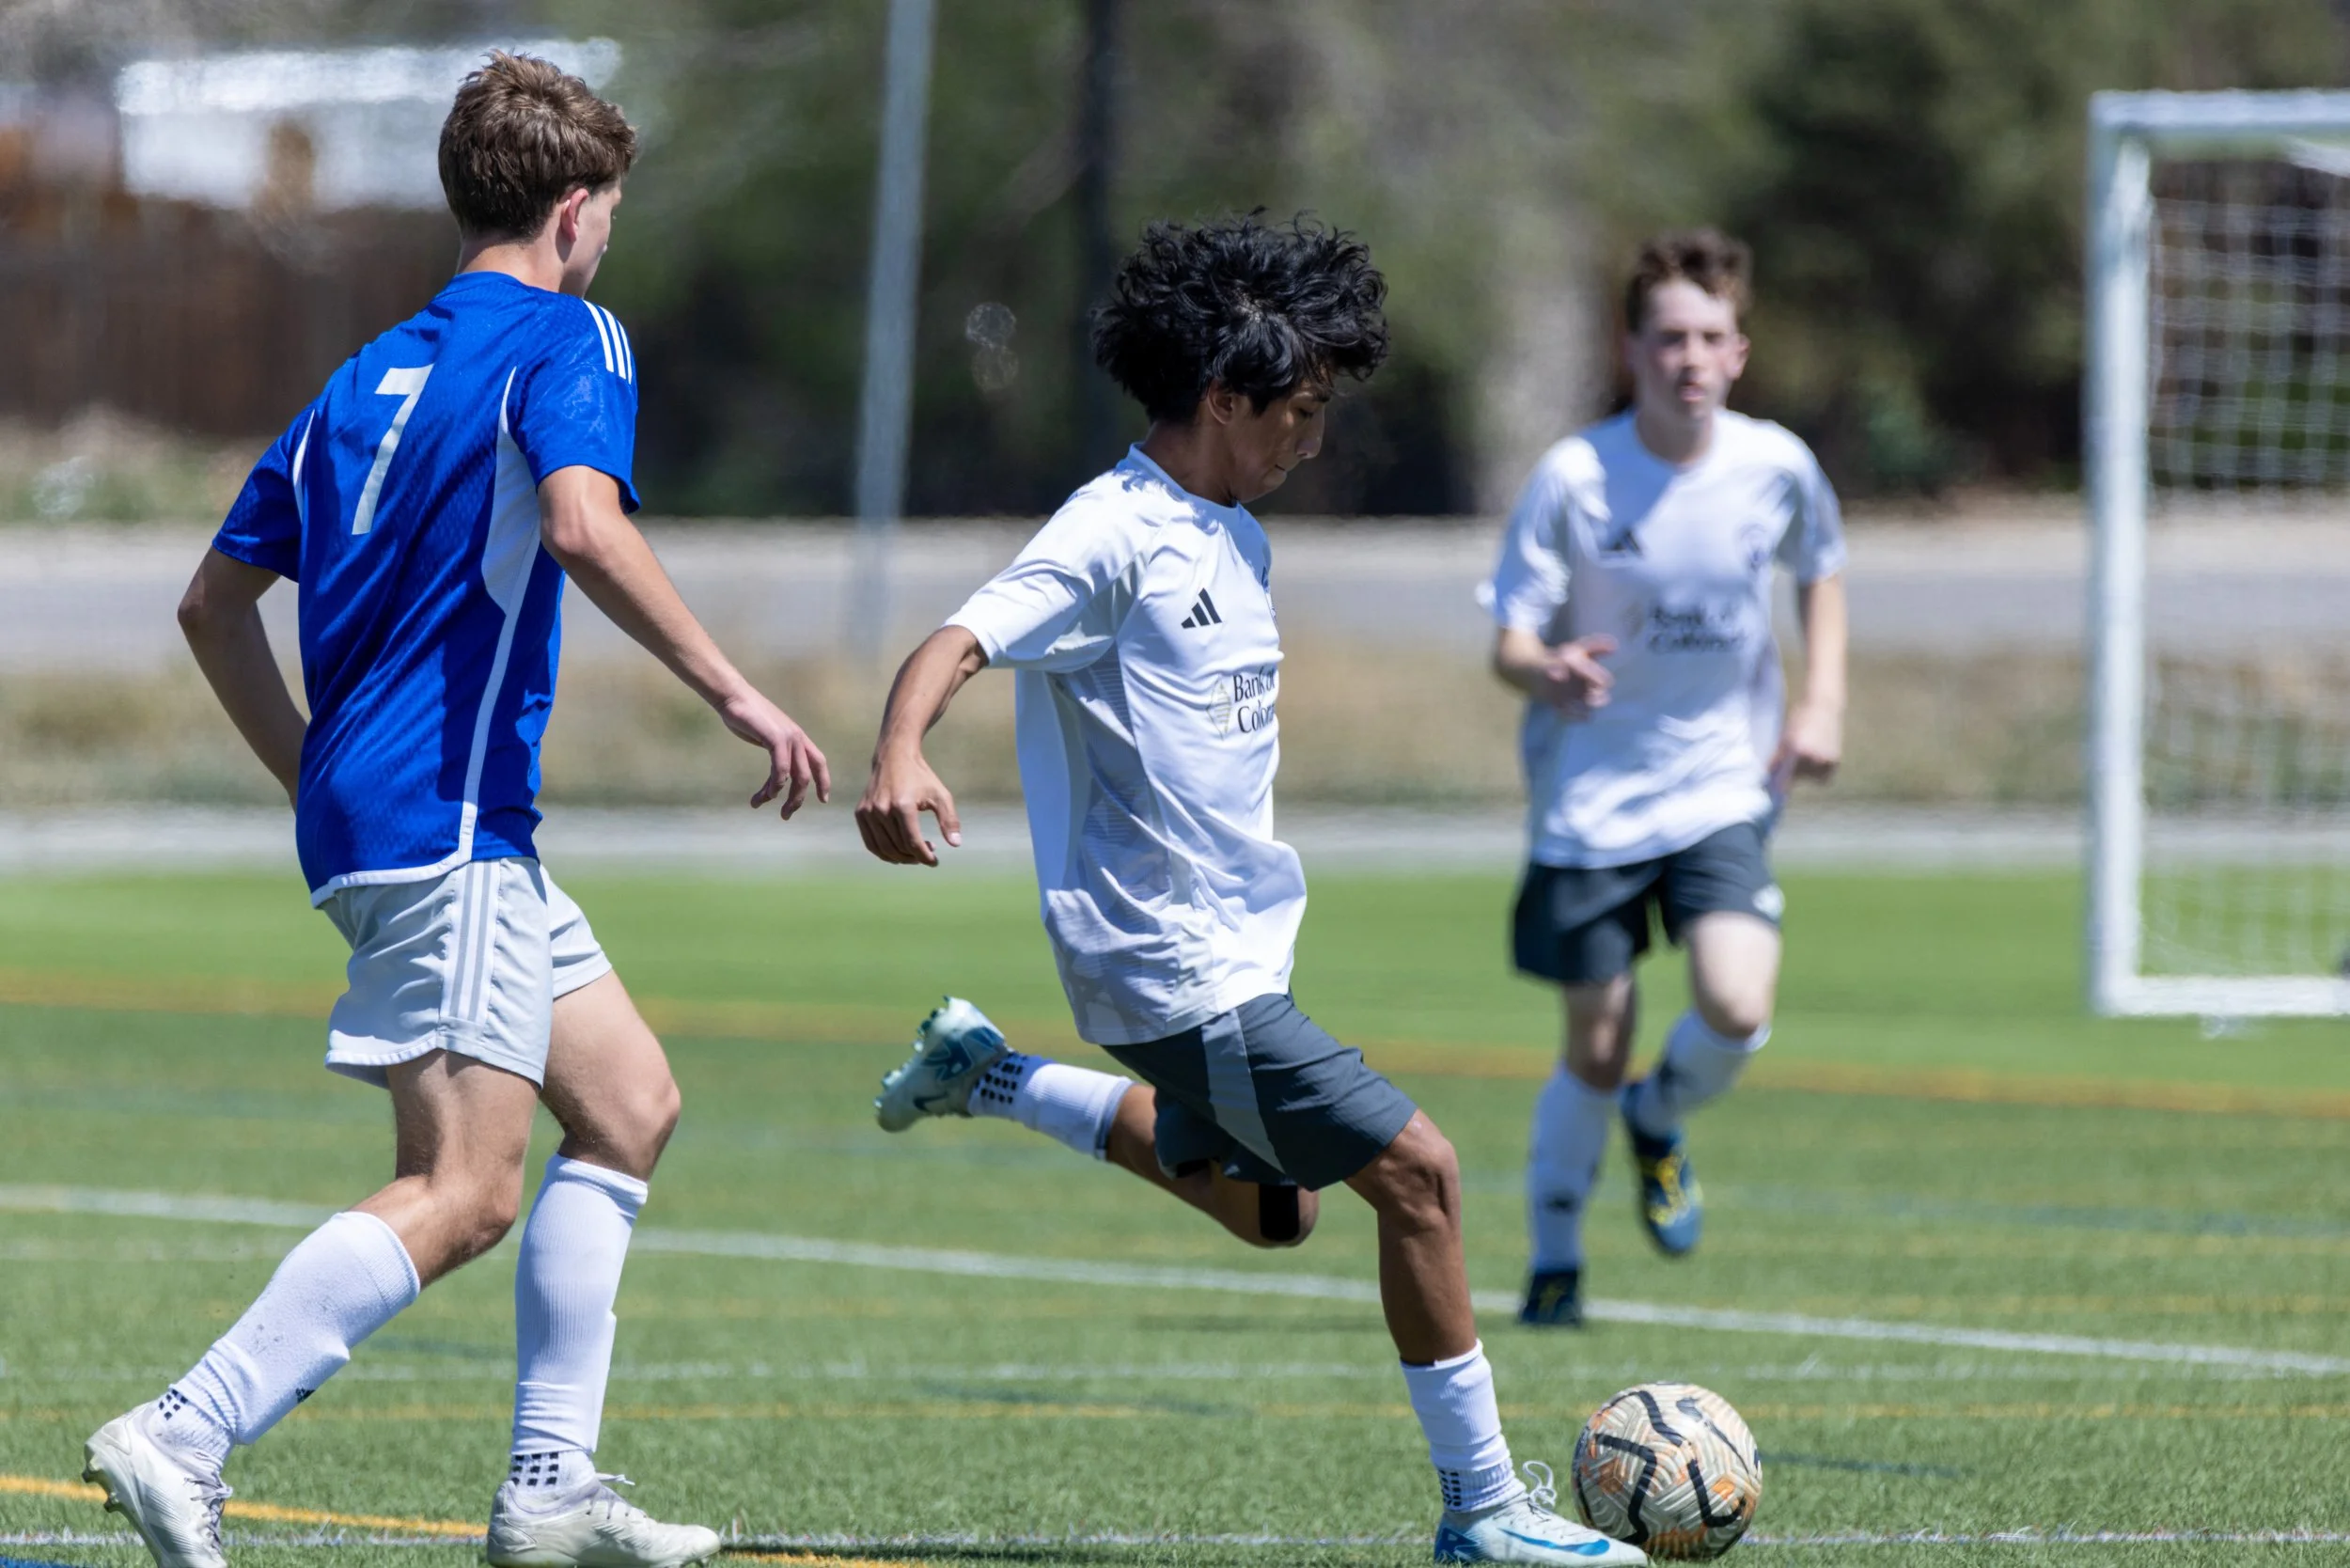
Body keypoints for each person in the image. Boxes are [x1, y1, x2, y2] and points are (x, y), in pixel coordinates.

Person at [80, 53, 829, 1568]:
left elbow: (212, 606)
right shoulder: (570, 333)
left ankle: (549, 1490)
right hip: (449, 822)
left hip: (410, 821)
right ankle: (185, 1428)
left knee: (628, 1105)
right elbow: (582, 523)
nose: (606, 238)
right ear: (575, 210)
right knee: (465, 1188)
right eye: (609, 213)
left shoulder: (363, 374)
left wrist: (315, 778)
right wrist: (737, 693)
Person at [854, 213, 1646, 1567]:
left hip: (1228, 955)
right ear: (1223, 397)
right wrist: (899, 753)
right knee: (1422, 1176)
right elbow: (959, 637)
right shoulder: (1111, 532)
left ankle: (988, 1075)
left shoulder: (1236, 537)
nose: (1311, 441)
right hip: (1173, 965)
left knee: (1280, 1212)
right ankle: (1483, 1511)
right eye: (1300, 411)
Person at [1483, 229, 1847, 1328]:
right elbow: (1508, 637)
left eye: (1709, 337)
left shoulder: (1775, 466)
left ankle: (1658, 1114)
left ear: (1739, 352)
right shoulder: (1575, 476)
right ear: (1630, 349)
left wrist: (1820, 703)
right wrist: (1543, 668)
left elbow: (1821, 572)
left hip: (1722, 786)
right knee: (1593, 1046)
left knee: (1736, 1004)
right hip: (1591, 795)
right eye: (1669, 338)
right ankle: (1554, 1261)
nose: (1689, 357)